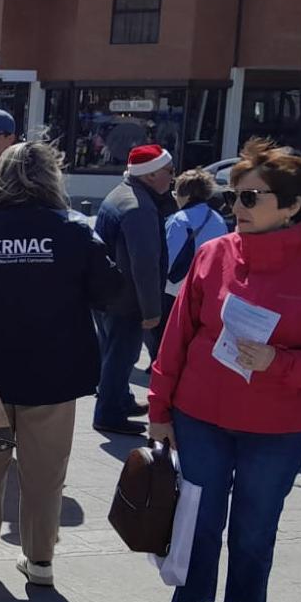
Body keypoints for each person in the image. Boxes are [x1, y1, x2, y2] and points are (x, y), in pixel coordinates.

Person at [149, 139, 301, 602]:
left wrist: (279, 362)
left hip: (278, 430)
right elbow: (177, 336)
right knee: (197, 533)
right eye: (233, 196)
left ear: (291, 206)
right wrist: (159, 410)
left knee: (251, 539)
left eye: (250, 197)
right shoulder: (215, 254)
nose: (236, 207)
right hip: (200, 417)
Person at [0, 143, 123, 587]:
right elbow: (110, 292)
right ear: (53, 177)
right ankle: (41, 559)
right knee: (45, 472)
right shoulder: (74, 230)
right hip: (55, 369)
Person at [92, 144, 175, 436]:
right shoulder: (139, 207)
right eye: (168, 171)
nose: (172, 177)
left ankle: (119, 401)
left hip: (109, 294)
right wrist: (152, 311)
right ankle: (109, 413)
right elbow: (145, 263)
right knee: (121, 356)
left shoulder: (123, 194)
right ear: (151, 175)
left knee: (112, 353)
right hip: (125, 299)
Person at [163, 169, 228, 320]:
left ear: (185, 195)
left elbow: (168, 259)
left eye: (175, 194)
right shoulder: (218, 219)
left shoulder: (180, 219)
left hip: (176, 292)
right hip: (208, 290)